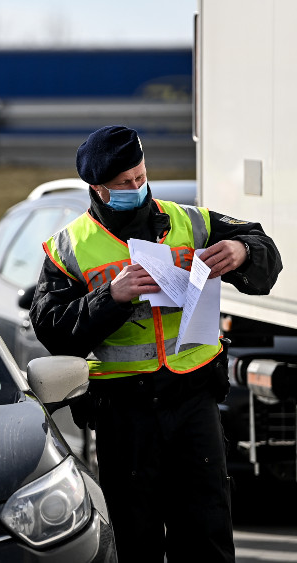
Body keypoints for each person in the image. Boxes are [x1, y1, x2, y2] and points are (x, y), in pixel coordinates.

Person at [29, 125, 282, 563]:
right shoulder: (68, 247)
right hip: (125, 414)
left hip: (194, 400)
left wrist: (243, 251)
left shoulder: (191, 221)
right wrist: (113, 296)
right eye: (124, 184)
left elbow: (264, 249)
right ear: (98, 189)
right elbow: (51, 329)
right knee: (135, 538)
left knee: (207, 534)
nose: (137, 189)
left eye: (141, 177)